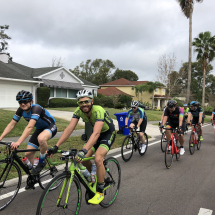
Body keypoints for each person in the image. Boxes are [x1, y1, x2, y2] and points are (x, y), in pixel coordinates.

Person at [49, 89, 116, 205]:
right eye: (81, 102)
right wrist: (56, 145)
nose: (84, 104)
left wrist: (84, 150)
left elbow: (96, 133)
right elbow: (70, 128)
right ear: (78, 103)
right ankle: (93, 178)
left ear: (92, 101)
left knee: (98, 158)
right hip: (96, 134)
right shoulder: (78, 111)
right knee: (83, 160)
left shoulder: (98, 110)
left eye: (86, 101)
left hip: (107, 133)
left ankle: (100, 190)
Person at [0, 90, 57, 189]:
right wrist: (0, 137)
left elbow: (30, 127)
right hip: (39, 129)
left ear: (31, 101)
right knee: (28, 154)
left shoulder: (36, 108)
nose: (23, 104)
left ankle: (42, 161)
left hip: (50, 127)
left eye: (25, 101)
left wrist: (18, 142)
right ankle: (35, 175)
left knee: (41, 139)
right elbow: (11, 124)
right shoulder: (21, 110)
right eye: (20, 102)